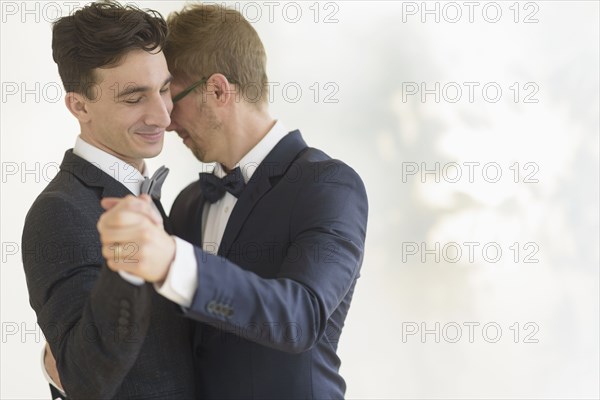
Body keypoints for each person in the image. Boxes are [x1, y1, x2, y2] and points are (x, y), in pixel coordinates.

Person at [98, 3, 369, 398]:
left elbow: (299, 319)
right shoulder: (190, 201)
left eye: (172, 97)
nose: (166, 121)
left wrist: (174, 261)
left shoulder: (328, 185)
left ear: (219, 90)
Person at [21, 2, 195, 398]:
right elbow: (85, 378)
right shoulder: (59, 212)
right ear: (79, 106)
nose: (163, 117)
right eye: (135, 99)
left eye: (164, 89)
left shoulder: (144, 193)